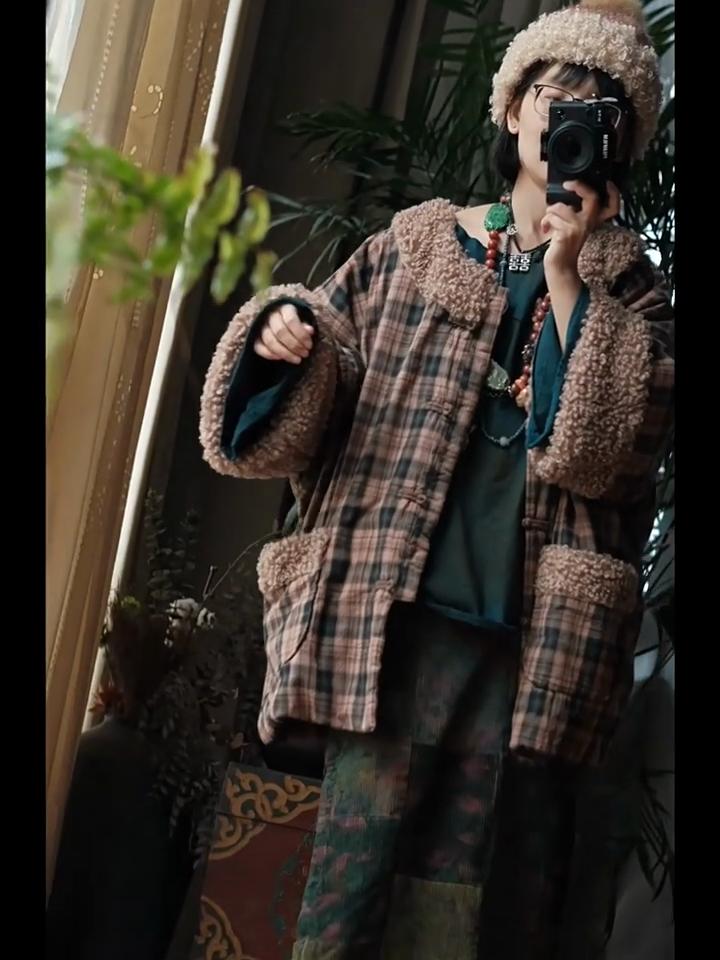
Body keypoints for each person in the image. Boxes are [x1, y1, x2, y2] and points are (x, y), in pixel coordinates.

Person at [199, 0, 673, 955]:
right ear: (514, 109)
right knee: (349, 889)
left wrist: (569, 274)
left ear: (618, 139)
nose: (568, 120)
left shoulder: (635, 294)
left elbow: (610, 448)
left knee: (471, 910)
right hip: (390, 614)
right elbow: (319, 374)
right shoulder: (412, 249)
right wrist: (285, 336)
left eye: (597, 108)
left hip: (528, 636)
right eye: (554, 95)